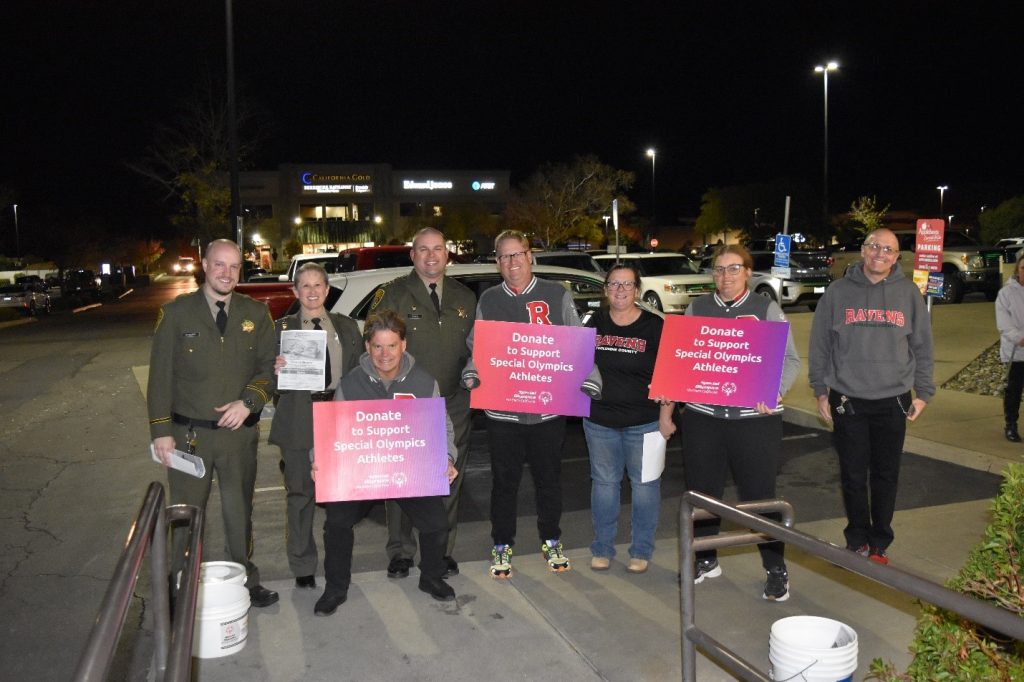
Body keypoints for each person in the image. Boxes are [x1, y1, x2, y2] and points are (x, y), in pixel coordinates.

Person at [461, 230, 602, 579]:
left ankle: (551, 538)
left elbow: (577, 343)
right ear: (497, 262)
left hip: (547, 410)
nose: (512, 262)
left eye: (518, 254)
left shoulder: (556, 293)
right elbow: (477, 347)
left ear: (530, 255)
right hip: (502, 412)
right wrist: (471, 373)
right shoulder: (490, 299)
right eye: (504, 257)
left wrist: (591, 377)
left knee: (548, 479)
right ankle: (501, 543)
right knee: (504, 481)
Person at [147, 239, 279, 608]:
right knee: (187, 515)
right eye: (220, 265)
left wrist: (249, 401)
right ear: (205, 265)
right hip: (189, 438)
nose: (227, 273)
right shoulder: (176, 314)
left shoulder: (256, 313)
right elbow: (160, 377)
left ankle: (244, 580)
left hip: (237, 436)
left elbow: (269, 369)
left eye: (234, 266)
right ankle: (180, 589)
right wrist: (161, 432)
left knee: (240, 513)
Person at [313, 311, 459, 616]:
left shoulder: (423, 381)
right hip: (362, 471)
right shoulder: (352, 383)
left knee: (436, 523)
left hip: (408, 471)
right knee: (337, 522)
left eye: (391, 346)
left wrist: (447, 456)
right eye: (378, 346)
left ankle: (431, 577)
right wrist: (319, 460)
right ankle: (336, 587)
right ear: (367, 347)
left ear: (403, 344)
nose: (384, 354)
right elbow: (333, 428)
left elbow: (441, 425)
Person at [681, 245, 801, 601]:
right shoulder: (697, 308)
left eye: (733, 269)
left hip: (754, 421)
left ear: (748, 272)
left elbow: (790, 359)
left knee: (759, 497)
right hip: (705, 419)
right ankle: (706, 559)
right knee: (703, 495)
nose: (725, 277)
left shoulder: (766, 308)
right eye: (718, 270)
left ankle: (775, 567)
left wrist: (775, 390)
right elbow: (683, 355)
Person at [809, 228, 934, 565]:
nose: (880, 254)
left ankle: (880, 542)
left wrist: (923, 393)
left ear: (896, 257)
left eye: (888, 250)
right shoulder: (837, 293)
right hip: (847, 398)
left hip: (894, 399)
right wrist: (821, 391)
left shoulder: (908, 294)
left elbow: (922, 347)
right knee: (851, 474)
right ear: (863, 251)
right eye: (874, 247)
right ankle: (857, 538)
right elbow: (820, 345)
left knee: (885, 474)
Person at [368, 227, 476, 581]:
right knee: (402, 479)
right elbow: (372, 347)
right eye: (423, 250)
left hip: (454, 402)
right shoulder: (393, 294)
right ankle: (400, 551)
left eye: (438, 249)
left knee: (448, 479)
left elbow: (478, 350)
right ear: (412, 255)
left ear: (448, 255)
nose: (431, 256)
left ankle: (440, 550)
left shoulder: (464, 297)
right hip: (407, 403)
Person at [269, 263, 361, 589]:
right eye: (304, 286)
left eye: (317, 285)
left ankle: (339, 561)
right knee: (300, 494)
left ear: (327, 289)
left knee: (339, 497)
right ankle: (303, 564)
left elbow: (359, 372)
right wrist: (275, 369)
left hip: (336, 415)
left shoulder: (347, 327)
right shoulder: (280, 329)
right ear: (295, 291)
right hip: (298, 417)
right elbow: (265, 380)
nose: (311, 292)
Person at [584, 264, 676, 574]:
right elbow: (573, 364)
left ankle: (641, 550)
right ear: (605, 289)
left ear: (636, 289)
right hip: (600, 421)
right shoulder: (592, 323)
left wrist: (666, 418)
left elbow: (669, 375)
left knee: (646, 487)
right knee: (605, 485)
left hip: (646, 422)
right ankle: (603, 548)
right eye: (613, 284)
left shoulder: (654, 326)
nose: (620, 290)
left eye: (626, 285)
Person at [996, 251, 1024, 442]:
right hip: (1016, 352)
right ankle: (1011, 425)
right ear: (1017, 270)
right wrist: (1019, 337)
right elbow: (1004, 324)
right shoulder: (1006, 293)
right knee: (1014, 391)